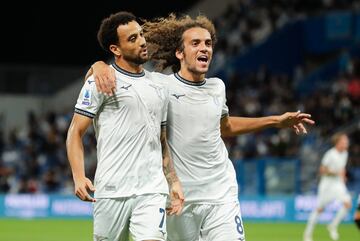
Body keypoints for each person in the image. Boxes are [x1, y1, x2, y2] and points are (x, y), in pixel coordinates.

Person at [89, 14, 315, 241]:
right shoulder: (159, 85)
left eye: (208, 43)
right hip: (179, 199)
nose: (204, 48)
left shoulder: (217, 87)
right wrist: (98, 65)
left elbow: (224, 126)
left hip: (221, 194)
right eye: (195, 43)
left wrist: (276, 121)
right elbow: (109, 75)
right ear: (180, 53)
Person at [66, 11, 184, 241]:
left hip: (151, 190)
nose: (141, 41)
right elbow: (75, 132)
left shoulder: (159, 85)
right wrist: (78, 176)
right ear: (115, 50)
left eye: (140, 34)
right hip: (111, 191)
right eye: (132, 39)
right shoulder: (101, 80)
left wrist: (174, 181)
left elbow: (161, 141)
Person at [303, 133, 352, 241]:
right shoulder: (330, 154)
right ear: (338, 142)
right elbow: (322, 170)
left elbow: (342, 168)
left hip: (338, 184)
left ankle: (332, 226)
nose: (346, 143)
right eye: (344, 141)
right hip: (327, 184)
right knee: (319, 209)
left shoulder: (345, 153)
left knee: (348, 204)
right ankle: (307, 235)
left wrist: (343, 177)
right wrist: (335, 173)